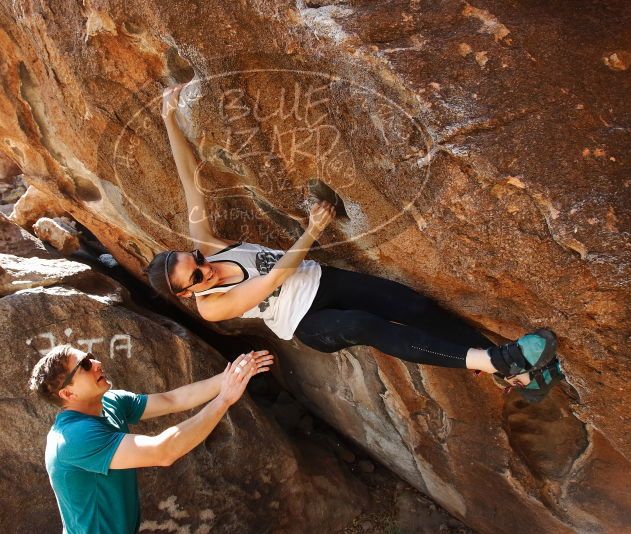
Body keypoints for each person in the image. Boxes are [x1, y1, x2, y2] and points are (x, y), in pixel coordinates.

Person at [145, 84, 560, 393]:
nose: (205, 268)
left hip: (323, 280)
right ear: (187, 295)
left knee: (413, 305)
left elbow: (189, 182)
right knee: (365, 325)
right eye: (195, 278)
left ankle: (520, 375)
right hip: (306, 321)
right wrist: (312, 230)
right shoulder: (213, 308)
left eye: (195, 259)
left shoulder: (212, 247)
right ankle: (495, 360)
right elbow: (271, 281)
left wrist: (168, 119)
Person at [28, 344, 273, 534]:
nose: (97, 362)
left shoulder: (110, 402)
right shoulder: (74, 438)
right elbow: (163, 451)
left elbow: (174, 400)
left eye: (90, 356)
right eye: (84, 364)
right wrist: (224, 401)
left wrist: (234, 375)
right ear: (68, 393)